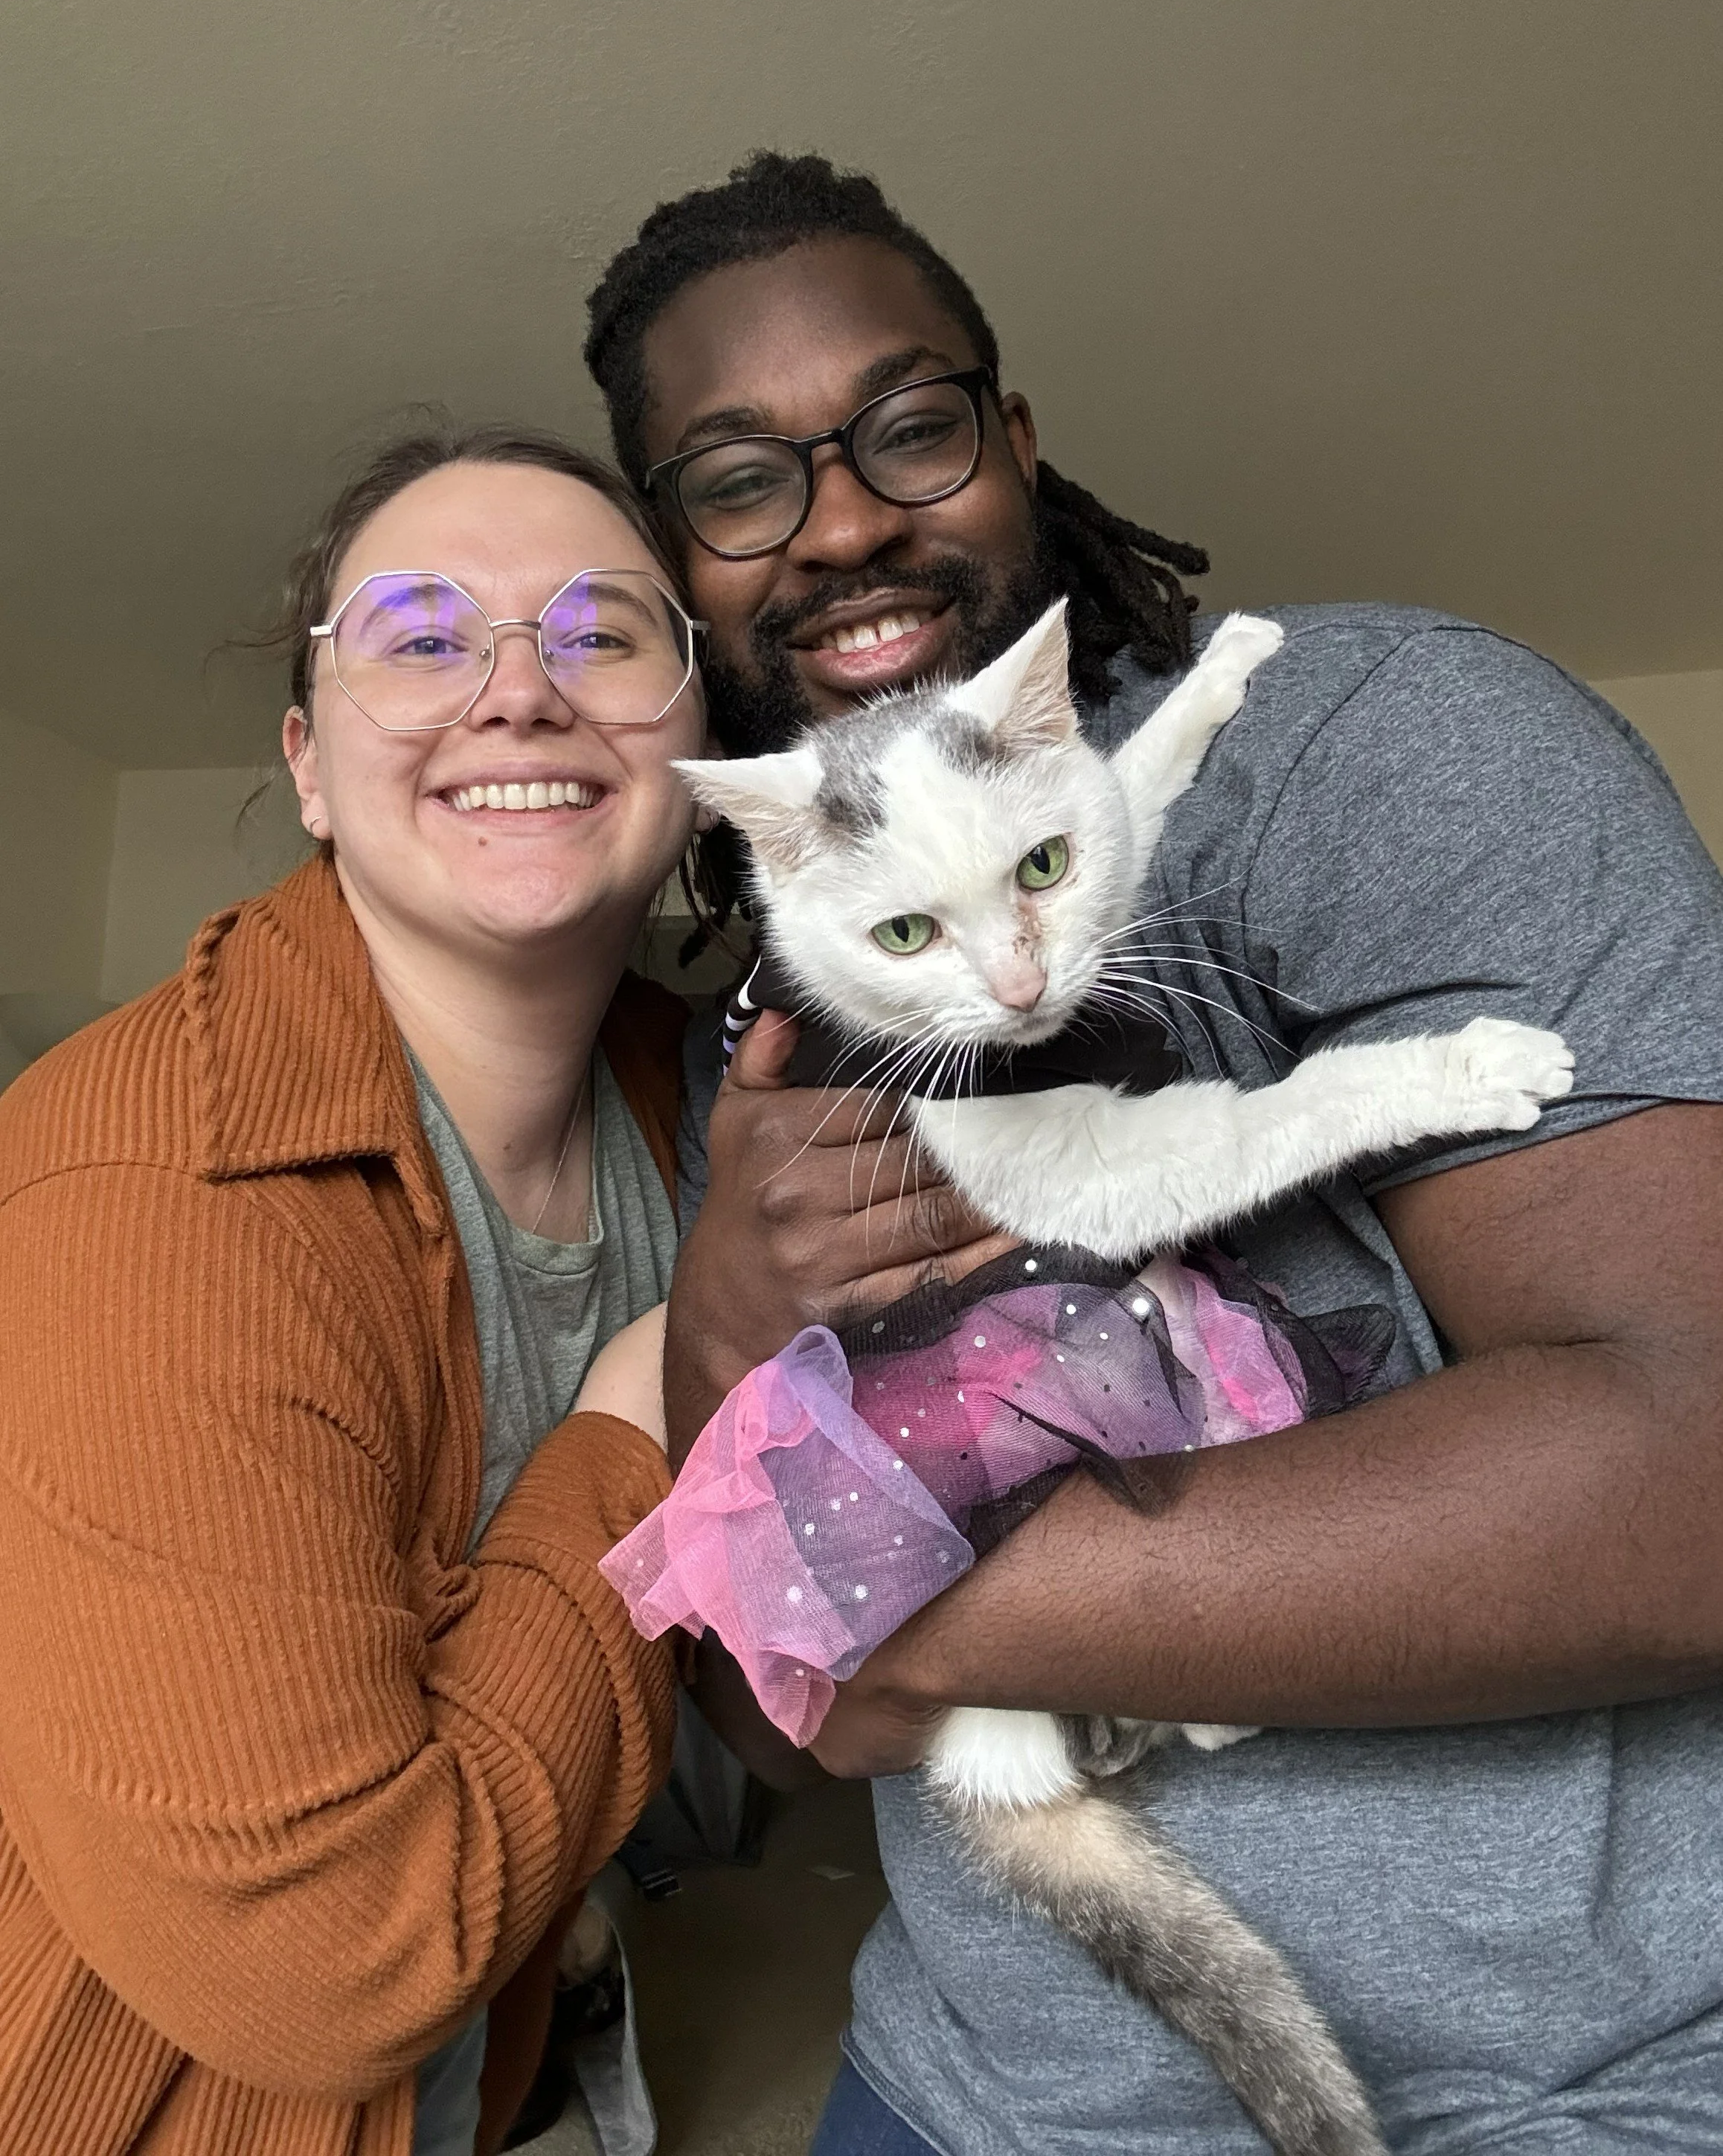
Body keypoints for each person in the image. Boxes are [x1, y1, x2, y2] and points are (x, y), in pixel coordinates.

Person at [583, 154, 1723, 2155]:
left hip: (1580, 2082)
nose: (842, 516)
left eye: (908, 429)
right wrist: (712, 1339)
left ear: (1013, 444)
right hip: (968, 2088)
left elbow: (1690, 1456)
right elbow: (747, 1727)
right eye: (741, 479)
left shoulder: (1378, 741)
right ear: (685, 563)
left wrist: (882, 1632)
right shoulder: (783, 1025)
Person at [0, 424, 708, 2156]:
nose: (521, 689)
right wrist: (635, 1423)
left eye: (603, 631)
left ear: (702, 743)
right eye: (421, 631)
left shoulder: (707, 1103)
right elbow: (323, 1963)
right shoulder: (148, 1183)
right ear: (310, 766)